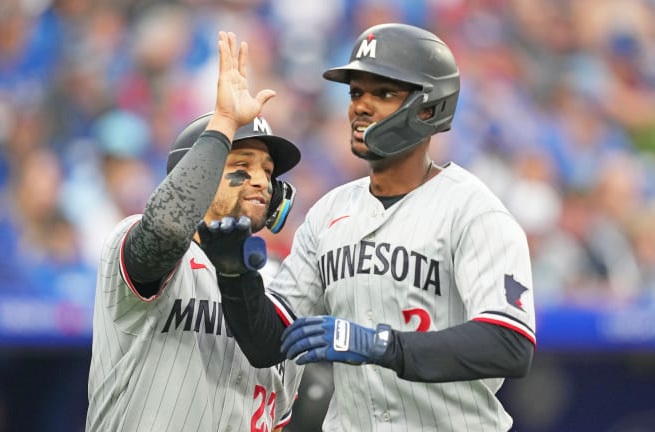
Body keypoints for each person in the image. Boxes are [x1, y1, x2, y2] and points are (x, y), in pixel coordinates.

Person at [198, 23, 537, 431]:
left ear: (429, 108)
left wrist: (379, 344)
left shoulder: (473, 212)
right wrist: (236, 277)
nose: (361, 106)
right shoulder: (329, 213)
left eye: (384, 93)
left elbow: (509, 343)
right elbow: (270, 343)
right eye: (356, 92)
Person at [85, 32, 304, 431]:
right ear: (197, 174)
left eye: (268, 172)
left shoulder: (285, 286)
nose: (261, 182)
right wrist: (223, 123)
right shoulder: (138, 239)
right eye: (241, 165)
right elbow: (167, 228)